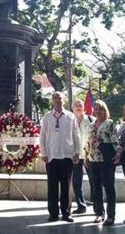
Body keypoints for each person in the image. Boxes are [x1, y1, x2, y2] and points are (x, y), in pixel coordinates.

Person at [40, 92, 81, 222]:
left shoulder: (70, 116)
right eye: (56, 98)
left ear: (64, 100)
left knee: (66, 186)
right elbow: (42, 137)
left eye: (60, 98)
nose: (58, 100)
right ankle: (53, 213)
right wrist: (44, 153)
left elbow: (76, 135)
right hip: (51, 156)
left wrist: (77, 151)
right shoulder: (46, 117)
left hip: (67, 156)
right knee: (52, 186)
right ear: (52, 100)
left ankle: (66, 213)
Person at [84, 100, 121, 226]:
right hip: (93, 159)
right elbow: (88, 142)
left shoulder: (109, 123)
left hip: (106, 159)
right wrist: (86, 156)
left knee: (109, 187)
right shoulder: (91, 124)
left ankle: (111, 216)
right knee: (95, 188)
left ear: (105, 110)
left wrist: (118, 153)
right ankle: (99, 213)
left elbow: (115, 141)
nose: (98, 111)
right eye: (96, 108)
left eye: (101, 108)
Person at [70, 99, 93, 214]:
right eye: (76, 105)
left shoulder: (90, 120)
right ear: (72, 108)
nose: (78, 107)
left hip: (90, 155)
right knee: (76, 182)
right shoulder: (69, 121)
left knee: (94, 180)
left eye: (80, 105)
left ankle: (97, 206)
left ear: (83, 107)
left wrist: (89, 153)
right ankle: (81, 205)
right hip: (75, 156)